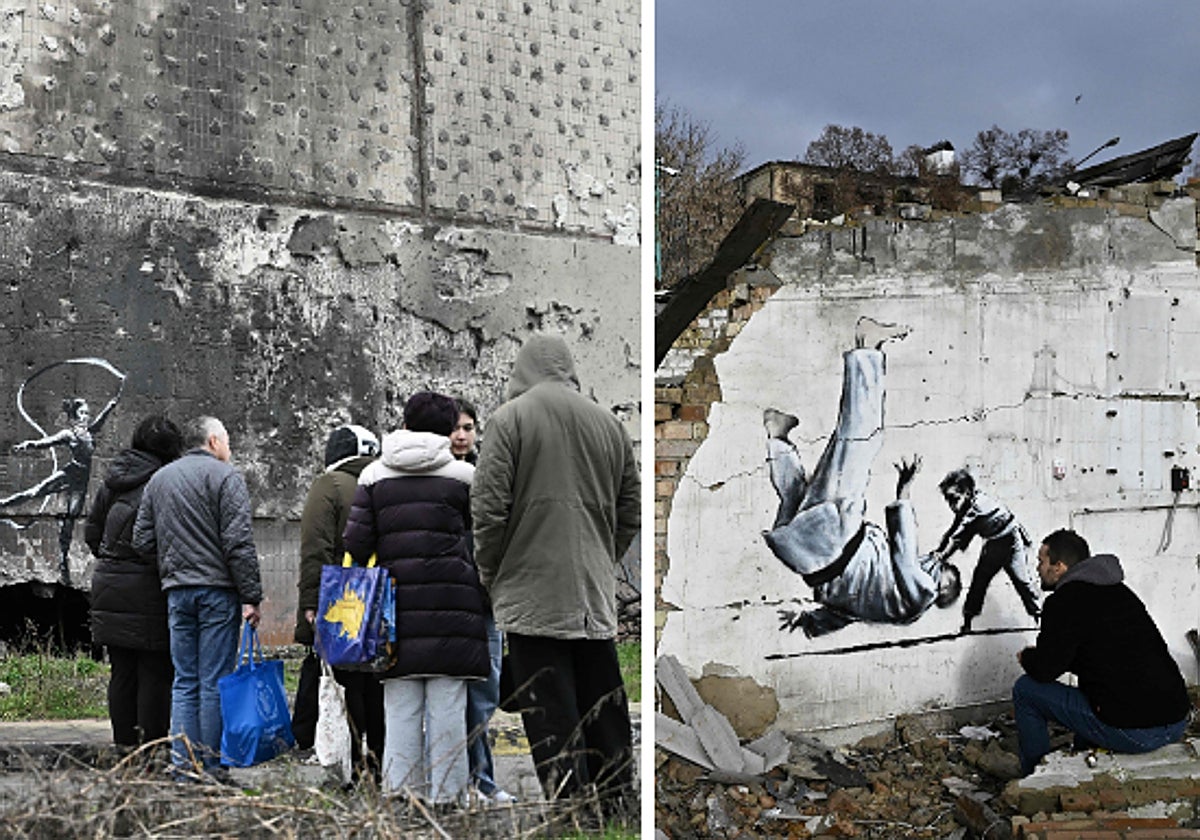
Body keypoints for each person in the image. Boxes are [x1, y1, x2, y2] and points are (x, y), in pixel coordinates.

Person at [472, 334, 640, 810]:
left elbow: (487, 511)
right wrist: (601, 560)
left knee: (550, 709)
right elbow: (630, 510)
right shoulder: (609, 423)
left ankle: (572, 808)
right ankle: (616, 801)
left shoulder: (510, 420)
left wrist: (493, 573)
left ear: (522, 370)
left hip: (532, 593)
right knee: (602, 700)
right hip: (592, 595)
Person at [763, 318, 959, 637]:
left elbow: (905, 558)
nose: (933, 560)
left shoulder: (924, 592)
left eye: (940, 570)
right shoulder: (890, 610)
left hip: (837, 540)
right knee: (799, 497)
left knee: (861, 440)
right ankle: (777, 436)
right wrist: (808, 623)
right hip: (799, 556)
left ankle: (867, 348)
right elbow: (842, 615)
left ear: (943, 588)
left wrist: (904, 494)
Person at [342, 392, 489, 806]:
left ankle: (401, 796)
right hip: (453, 606)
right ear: (447, 429)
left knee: (401, 707)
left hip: (395, 610)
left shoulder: (373, 477)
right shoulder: (463, 477)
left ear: (405, 423)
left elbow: (355, 540)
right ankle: (446, 799)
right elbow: (484, 533)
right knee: (447, 709)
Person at [132, 416, 263, 780]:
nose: (230, 448)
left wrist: (174, 565)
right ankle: (211, 767)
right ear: (214, 441)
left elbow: (141, 540)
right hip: (217, 592)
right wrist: (251, 596)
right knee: (213, 680)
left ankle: (182, 765)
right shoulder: (226, 478)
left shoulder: (160, 480)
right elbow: (238, 543)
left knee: (184, 679)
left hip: (177, 591)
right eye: (228, 440)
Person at [1013, 529, 1190, 776]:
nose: (1037, 569)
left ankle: (1036, 776)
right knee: (1098, 691)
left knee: (1026, 690)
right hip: (1177, 720)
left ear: (1059, 567)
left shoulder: (1063, 601)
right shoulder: (1119, 591)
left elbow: (1045, 670)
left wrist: (1028, 657)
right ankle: (1085, 749)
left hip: (1136, 733)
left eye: (1041, 561)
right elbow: (1102, 656)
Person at [85, 415, 184, 748]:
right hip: (148, 590)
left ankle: (124, 748)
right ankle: (151, 751)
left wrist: (115, 562)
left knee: (122, 672)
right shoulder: (165, 482)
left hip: (109, 585)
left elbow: (92, 534)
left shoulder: (113, 480)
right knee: (155, 673)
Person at [294, 424, 383, 784]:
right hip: (378, 596)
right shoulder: (381, 482)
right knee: (376, 683)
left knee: (344, 683)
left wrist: (310, 604)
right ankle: (376, 767)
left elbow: (316, 549)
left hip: (341, 599)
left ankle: (349, 767)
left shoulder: (327, 487)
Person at [450, 397, 514, 803]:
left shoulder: (484, 475)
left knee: (485, 693)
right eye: (454, 428)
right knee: (449, 698)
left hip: (486, 602)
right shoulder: (436, 477)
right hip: (449, 602)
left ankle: (481, 779)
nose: (461, 435)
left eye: (468, 427)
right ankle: (465, 781)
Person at [3, 381, 124, 585]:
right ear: (75, 416)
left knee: (70, 518)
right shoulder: (69, 434)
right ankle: (3, 504)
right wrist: (28, 444)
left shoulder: (89, 432)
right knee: (35, 492)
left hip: (80, 483)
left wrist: (111, 405)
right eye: (83, 413)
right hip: (69, 473)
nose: (86, 416)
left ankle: (63, 561)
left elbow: (101, 420)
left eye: (87, 413)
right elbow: (47, 442)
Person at [930, 469, 1040, 633]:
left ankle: (1039, 616)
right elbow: (953, 531)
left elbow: (957, 536)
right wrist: (939, 550)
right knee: (979, 582)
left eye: (954, 499)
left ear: (966, 493)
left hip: (1010, 541)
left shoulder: (977, 507)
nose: (952, 506)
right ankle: (967, 621)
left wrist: (944, 555)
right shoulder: (967, 506)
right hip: (994, 543)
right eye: (948, 501)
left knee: (1023, 582)